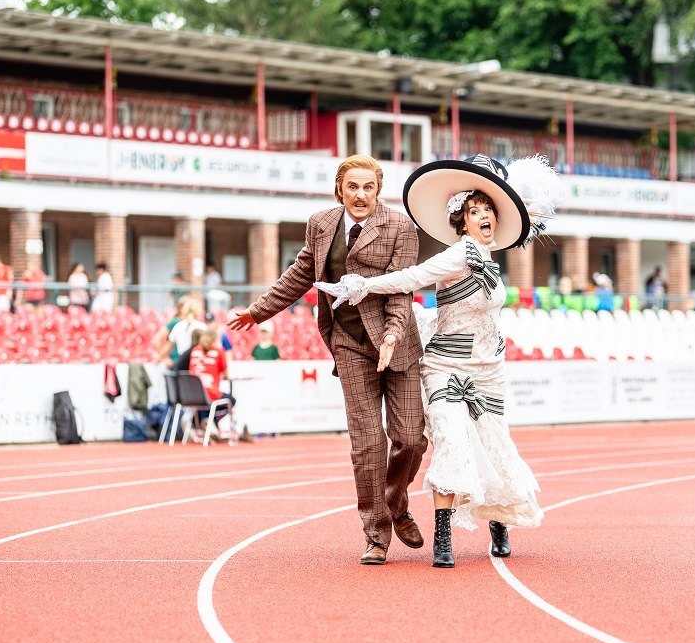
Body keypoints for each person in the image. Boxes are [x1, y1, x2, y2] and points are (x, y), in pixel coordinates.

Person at [316, 153, 561, 568]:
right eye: (473, 211)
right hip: (446, 367)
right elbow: (410, 278)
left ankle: (498, 522)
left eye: (487, 210)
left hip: (489, 370)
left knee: (494, 444)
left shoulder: (491, 259)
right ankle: (443, 533)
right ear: (461, 221)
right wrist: (363, 285)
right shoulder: (459, 254)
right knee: (449, 442)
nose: (482, 216)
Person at [228, 154, 427, 566]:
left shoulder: (401, 227)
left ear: (378, 191)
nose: (360, 195)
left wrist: (391, 333)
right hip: (349, 341)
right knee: (367, 444)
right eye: (352, 187)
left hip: (396, 343)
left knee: (410, 438)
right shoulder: (320, 224)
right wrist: (259, 311)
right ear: (340, 190)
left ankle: (395, 501)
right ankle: (376, 533)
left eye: (368, 187)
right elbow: (302, 273)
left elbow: (401, 291)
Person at [188, 328, 236, 441]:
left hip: (192, 395)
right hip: (210, 394)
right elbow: (226, 374)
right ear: (215, 339)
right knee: (231, 400)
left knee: (207, 401)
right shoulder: (218, 351)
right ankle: (211, 422)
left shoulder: (194, 350)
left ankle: (206, 422)